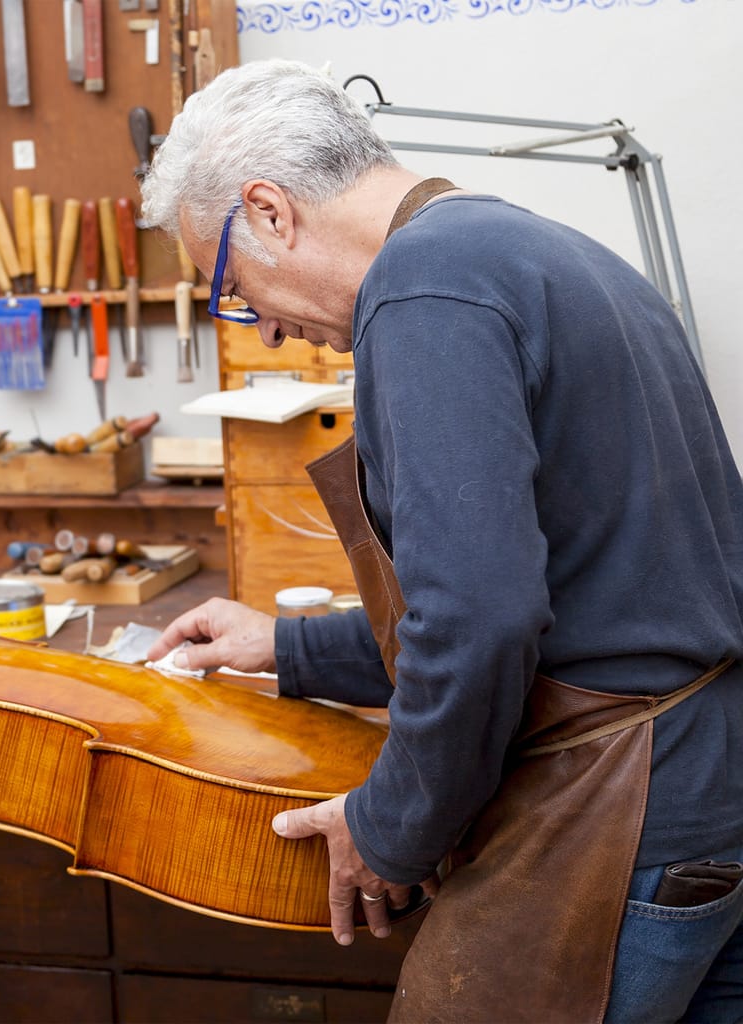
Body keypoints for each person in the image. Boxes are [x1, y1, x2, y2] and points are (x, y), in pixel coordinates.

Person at [140, 59, 743, 1023]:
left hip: (617, 817)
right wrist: (287, 645)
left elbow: (480, 620)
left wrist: (389, 826)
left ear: (269, 212)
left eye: (234, 288)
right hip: (707, 796)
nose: (271, 333)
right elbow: (587, 592)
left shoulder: (423, 291)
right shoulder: (539, 252)